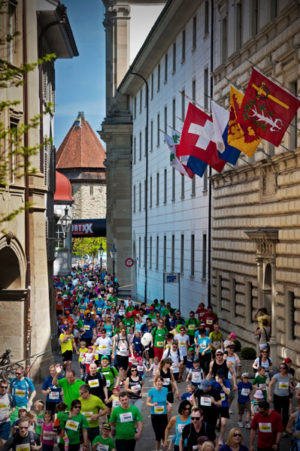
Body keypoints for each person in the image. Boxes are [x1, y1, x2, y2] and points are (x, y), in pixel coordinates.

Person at [147, 376, 171, 451]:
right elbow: (147, 403)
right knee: (158, 435)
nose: (160, 382)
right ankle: (157, 449)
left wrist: (168, 403)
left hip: (164, 415)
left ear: (163, 382)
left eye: (161, 381)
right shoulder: (151, 391)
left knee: (164, 434)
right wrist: (152, 404)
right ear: (155, 382)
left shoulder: (165, 390)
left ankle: (164, 449)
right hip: (155, 416)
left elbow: (164, 399)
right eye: (158, 381)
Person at [268, 361, 293, 429]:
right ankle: (277, 427)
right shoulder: (276, 376)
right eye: (281, 368)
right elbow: (270, 385)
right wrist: (269, 395)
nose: (282, 369)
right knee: (277, 413)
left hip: (286, 397)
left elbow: (291, 383)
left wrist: (291, 388)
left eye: (284, 368)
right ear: (279, 369)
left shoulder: (290, 376)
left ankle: (284, 428)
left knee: (285, 413)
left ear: (286, 368)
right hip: (277, 396)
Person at [0, 380, 16, 448]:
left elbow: (14, 408)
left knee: (4, 443)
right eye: (2, 387)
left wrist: (9, 414)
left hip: (5, 423)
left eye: (6, 387)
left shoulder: (10, 396)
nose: (4, 389)